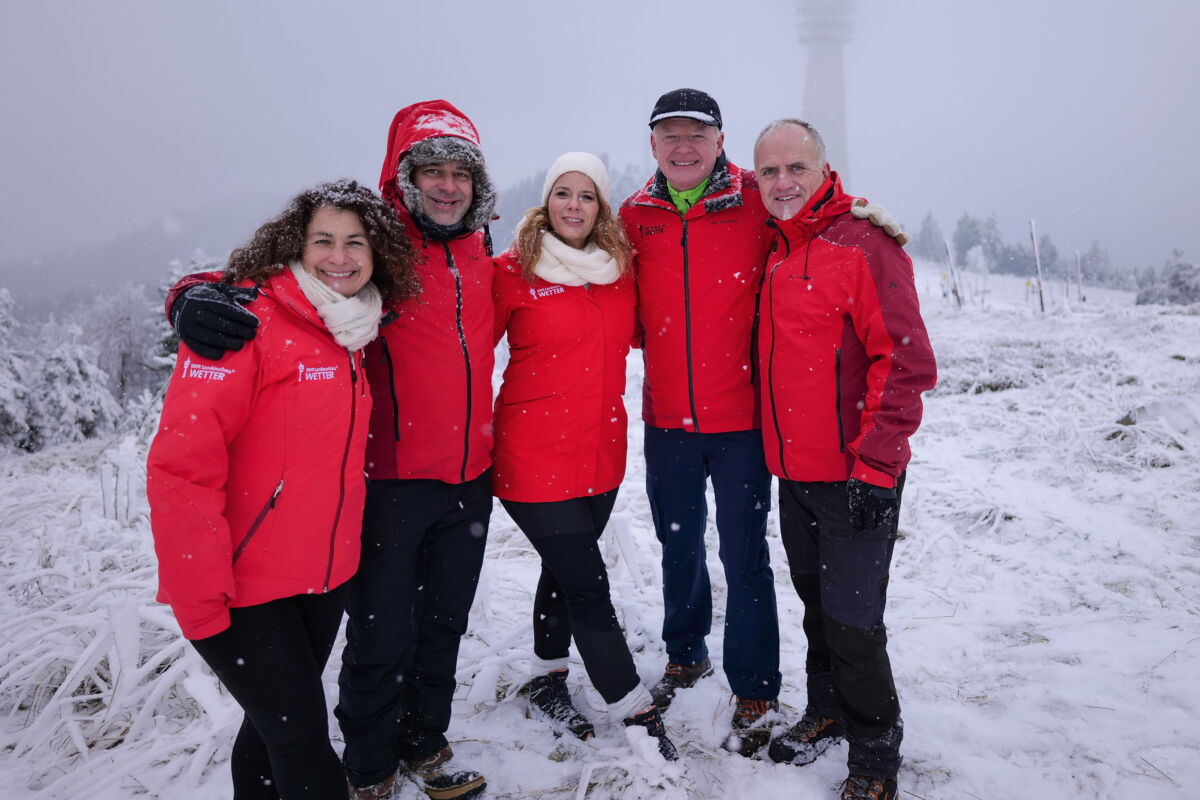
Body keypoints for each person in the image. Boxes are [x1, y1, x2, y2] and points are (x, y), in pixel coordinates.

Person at [166, 100, 497, 800]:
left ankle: (423, 741)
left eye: (459, 172)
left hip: (469, 479)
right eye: (429, 170)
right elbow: (275, 285)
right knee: (381, 639)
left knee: (443, 626)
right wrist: (189, 296)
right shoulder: (379, 244)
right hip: (389, 482)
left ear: (477, 182)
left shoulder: (485, 252)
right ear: (403, 177)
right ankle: (370, 766)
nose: (446, 186)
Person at [619, 88, 908, 756]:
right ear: (653, 144)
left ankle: (755, 685)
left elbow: (817, 213)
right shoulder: (636, 215)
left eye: (698, 134)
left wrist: (867, 216)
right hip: (668, 421)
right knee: (678, 545)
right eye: (670, 136)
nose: (683, 147)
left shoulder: (757, 199)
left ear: (721, 142)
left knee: (744, 555)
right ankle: (684, 654)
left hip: (744, 422)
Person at [146, 180, 417, 800]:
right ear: (295, 245)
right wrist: (199, 593)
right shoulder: (241, 321)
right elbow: (180, 467)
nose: (339, 256)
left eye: (355, 241)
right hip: (241, 587)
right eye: (323, 240)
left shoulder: (353, 326)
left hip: (320, 580)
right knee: (301, 742)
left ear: (377, 254)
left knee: (269, 733)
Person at [752, 118, 937, 800]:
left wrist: (879, 467)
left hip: (856, 474)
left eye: (795, 168)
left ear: (824, 169)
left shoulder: (863, 245)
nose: (781, 183)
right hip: (793, 472)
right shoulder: (776, 245)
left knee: (855, 621)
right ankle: (826, 710)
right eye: (768, 172)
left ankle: (876, 755)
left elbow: (907, 360)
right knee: (816, 605)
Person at [492, 152, 678, 761]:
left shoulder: (618, 271)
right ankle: (634, 710)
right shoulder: (511, 271)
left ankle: (547, 678)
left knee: (564, 573)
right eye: (563, 193)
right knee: (589, 587)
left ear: (601, 207)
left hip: (600, 456)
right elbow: (452, 339)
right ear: (546, 201)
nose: (574, 206)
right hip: (531, 458)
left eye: (587, 195)